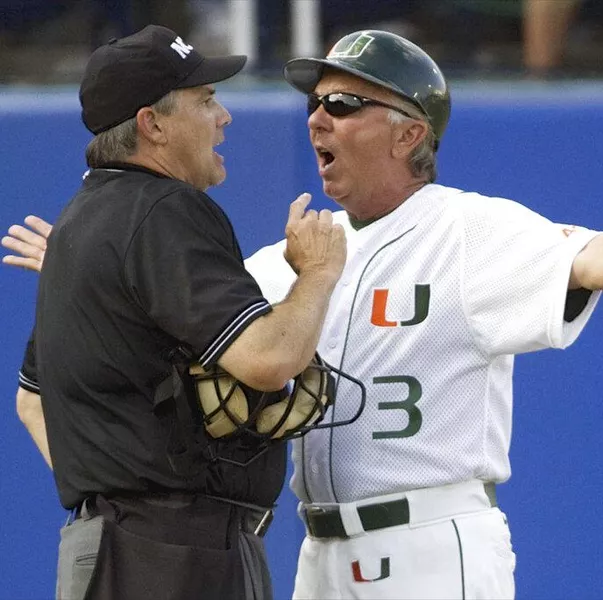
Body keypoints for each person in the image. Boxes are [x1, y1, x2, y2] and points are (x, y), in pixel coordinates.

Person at [6, 29, 603, 600]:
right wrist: (100, 273)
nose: (317, 119)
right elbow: (161, 312)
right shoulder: (291, 258)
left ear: (410, 132)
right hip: (318, 556)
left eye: (345, 103)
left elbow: (592, 256)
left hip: (429, 548)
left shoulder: (467, 228)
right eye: (314, 104)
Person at [6, 24, 352, 600]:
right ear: (153, 124)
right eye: (206, 100)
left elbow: (30, 400)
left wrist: (113, 484)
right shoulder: (164, 210)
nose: (224, 117)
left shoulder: (74, 227)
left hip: (104, 548)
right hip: (179, 556)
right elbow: (267, 361)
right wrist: (317, 274)